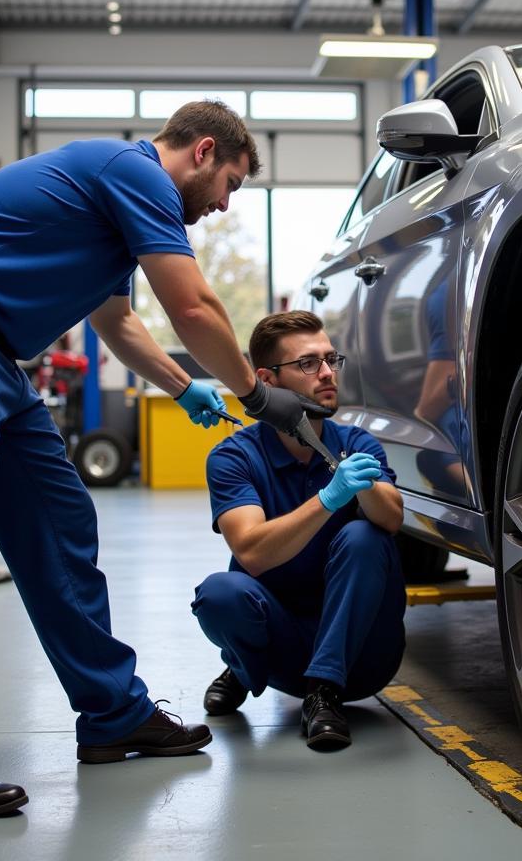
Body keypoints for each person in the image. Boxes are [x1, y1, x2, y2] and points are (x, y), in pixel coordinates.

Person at [0, 101, 326, 818]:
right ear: (201, 152)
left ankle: (112, 712)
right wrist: (256, 395)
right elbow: (193, 307)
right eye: (229, 183)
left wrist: (181, 384)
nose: (224, 205)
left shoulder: (114, 205)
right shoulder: (135, 173)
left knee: (59, 520)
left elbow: (118, 322)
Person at [191, 311, 407, 750]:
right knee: (219, 594)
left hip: (363, 654)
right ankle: (242, 664)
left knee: (365, 536)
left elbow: (391, 519)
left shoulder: (357, 443)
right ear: (267, 380)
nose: (327, 373)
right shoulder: (234, 457)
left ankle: (323, 690)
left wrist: (359, 485)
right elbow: (251, 551)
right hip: (283, 650)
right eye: (308, 364)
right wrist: (328, 499)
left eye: (331, 360)